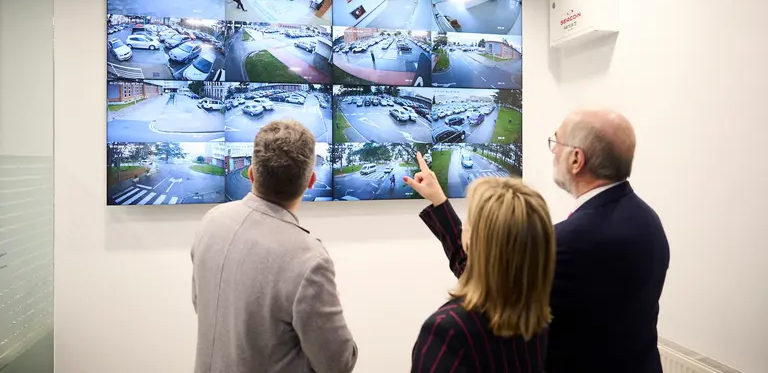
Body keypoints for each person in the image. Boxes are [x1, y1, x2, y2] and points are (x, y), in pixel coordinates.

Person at [407, 108, 670, 373]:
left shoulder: (567, 243)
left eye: (557, 142)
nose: (553, 152)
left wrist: (442, 206)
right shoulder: (648, 221)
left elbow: (486, 284)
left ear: (576, 159)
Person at [191, 120, 358, 373]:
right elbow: (337, 363)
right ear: (311, 181)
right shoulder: (309, 259)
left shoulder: (212, 221)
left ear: (251, 174)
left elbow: (201, 304)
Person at [407, 172, 555, 372]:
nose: (464, 226)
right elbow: (478, 267)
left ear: (475, 240)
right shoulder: (538, 318)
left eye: (469, 219)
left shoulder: (446, 333)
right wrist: (439, 201)